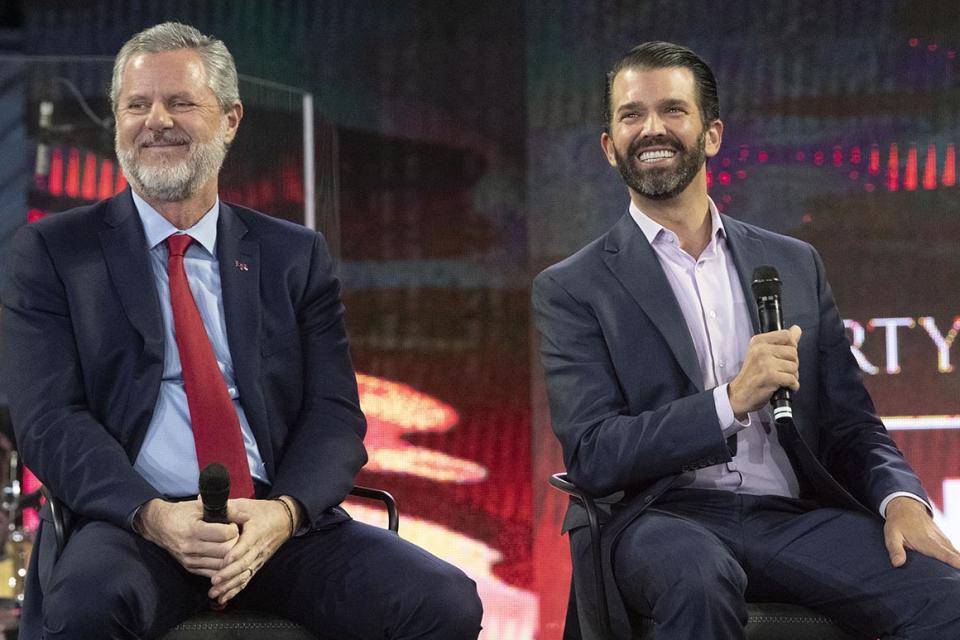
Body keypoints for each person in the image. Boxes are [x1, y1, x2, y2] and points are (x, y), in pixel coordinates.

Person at [1, 22, 482, 640]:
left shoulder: (293, 255)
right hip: (137, 527)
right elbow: (50, 421)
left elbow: (334, 415)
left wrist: (283, 515)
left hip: (273, 524)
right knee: (87, 607)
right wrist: (152, 516)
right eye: (136, 105)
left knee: (443, 601)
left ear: (230, 119)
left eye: (180, 102)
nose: (156, 120)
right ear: (116, 121)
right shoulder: (53, 253)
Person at [533, 41, 960, 640]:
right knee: (700, 579)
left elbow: (852, 423)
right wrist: (730, 400)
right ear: (610, 147)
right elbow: (596, 454)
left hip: (791, 516)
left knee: (944, 595)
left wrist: (901, 501)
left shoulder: (793, 262)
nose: (652, 128)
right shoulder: (573, 287)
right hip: (659, 518)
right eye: (631, 115)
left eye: (673, 110)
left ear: (711, 135)